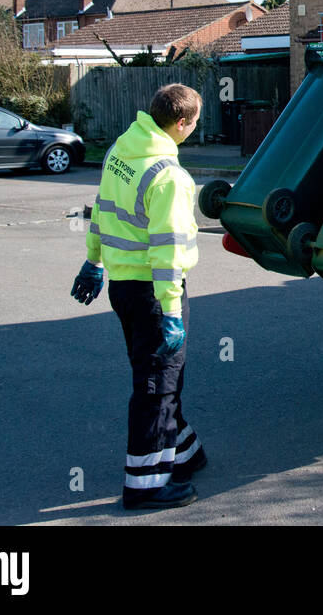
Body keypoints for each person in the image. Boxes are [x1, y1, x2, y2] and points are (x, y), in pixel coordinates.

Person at [71, 83, 207, 510]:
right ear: (182, 123)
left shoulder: (120, 151)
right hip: (153, 293)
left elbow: (101, 209)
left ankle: (180, 451)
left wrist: (93, 262)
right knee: (156, 385)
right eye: (195, 122)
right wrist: (170, 311)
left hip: (122, 287)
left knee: (164, 377)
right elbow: (167, 252)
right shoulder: (169, 177)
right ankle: (145, 484)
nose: (195, 128)